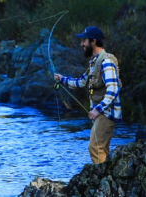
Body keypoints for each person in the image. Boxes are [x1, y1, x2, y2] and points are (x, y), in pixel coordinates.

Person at [54, 26, 122, 164]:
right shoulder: (94, 62)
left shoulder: (106, 62)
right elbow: (81, 82)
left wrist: (98, 109)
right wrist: (62, 79)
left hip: (107, 113)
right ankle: (106, 179)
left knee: (95, 147)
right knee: (101, 149)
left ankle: (102, 180)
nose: (81, 44)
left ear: (93, 42)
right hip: (102, 112)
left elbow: (113, 90)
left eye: (84, 40)